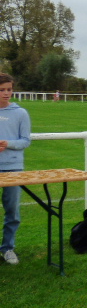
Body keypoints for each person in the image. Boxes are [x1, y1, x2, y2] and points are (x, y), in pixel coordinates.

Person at [0, 73, 32, 265]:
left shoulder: (21, 113)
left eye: (9, 89)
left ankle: (7, 248)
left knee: (12, 210)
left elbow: (25, 141)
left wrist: (8, 143)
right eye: (2, 90)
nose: (6, 93)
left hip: (13, 168)